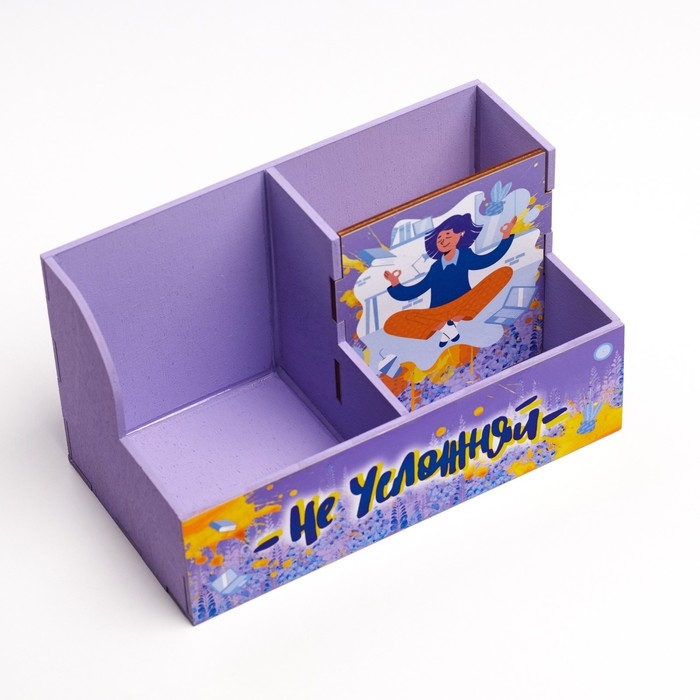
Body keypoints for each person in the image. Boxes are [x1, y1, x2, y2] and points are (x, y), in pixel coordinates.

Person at [383, 213, 515, 346]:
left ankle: (449, 327)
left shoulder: (465, 255)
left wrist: (505, 237)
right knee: (396, 322)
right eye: (439, 238)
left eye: (448, 235)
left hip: (463, 301)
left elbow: (488, 260)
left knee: (502, 274)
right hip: (438, 310)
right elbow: (417, 289)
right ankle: (446, 328)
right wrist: (396, 284)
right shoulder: (435, 267)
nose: (443, 240)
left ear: (460, 235)